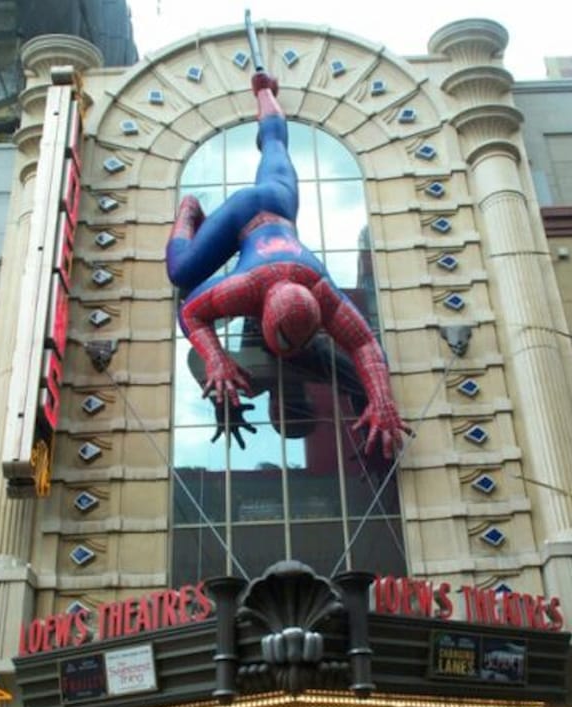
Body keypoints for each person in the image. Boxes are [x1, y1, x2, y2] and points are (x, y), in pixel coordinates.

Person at [166, 71, 407, 457]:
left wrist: (382, 400)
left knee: (277, 145)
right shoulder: (247, 288)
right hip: (246, 217)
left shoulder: (321, 292)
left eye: (281, 413)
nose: (285, 404)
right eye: (292, 410)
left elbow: (364, 344)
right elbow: (191, 312)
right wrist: (217, 361)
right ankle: (190, 210)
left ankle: (264, 92)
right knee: (179, 272)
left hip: (278, 208)